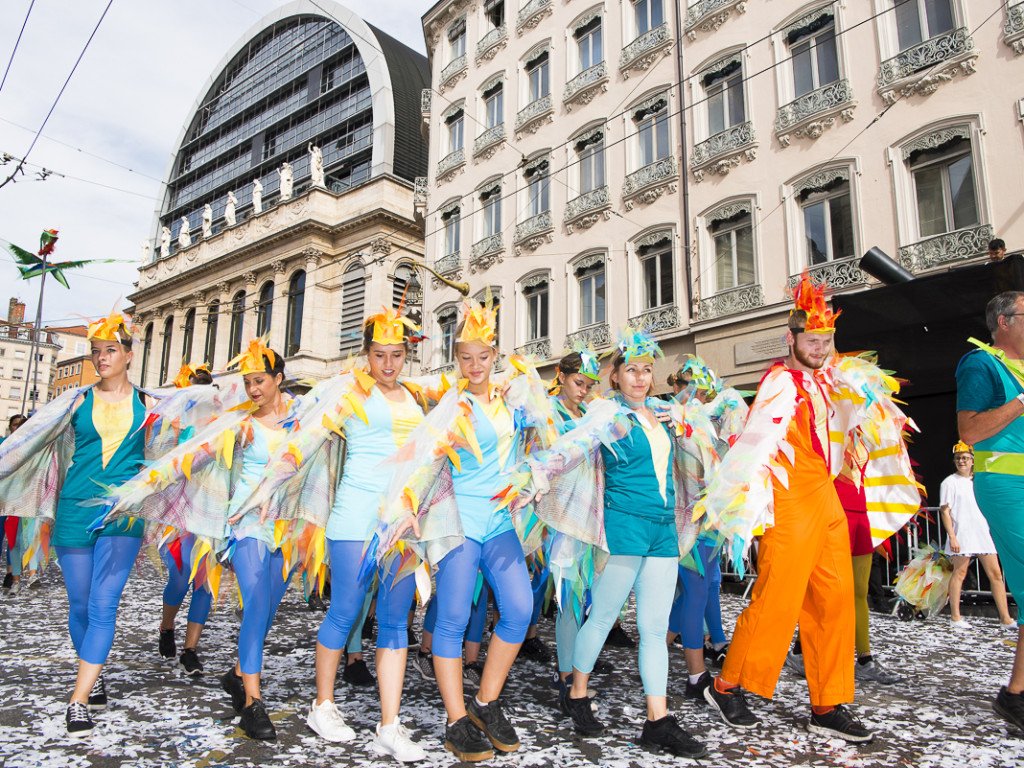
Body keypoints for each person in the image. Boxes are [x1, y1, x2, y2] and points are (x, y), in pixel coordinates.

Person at [698, 276, 919, 742]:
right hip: (791, 498)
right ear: (792, 339)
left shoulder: (833, 380)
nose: (820, 347)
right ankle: (727, 684)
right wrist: (748, 512)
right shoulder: (780, 382)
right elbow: (751, 447)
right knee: (777, 596)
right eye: (812, 340)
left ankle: (828, 702)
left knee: (835, 601)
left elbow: (856, 426)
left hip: (827, 497)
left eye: (826, 340)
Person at [378, 297, 551, 762]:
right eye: (465, 357)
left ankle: (485, 702)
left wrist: (530, 479)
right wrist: (410, 504)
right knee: (452, 621)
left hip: (499, 523)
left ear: (495, 355)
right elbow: (427, 460)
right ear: (457, 359)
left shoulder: (512, 398)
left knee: (519, 608)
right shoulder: (452, 406)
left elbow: (538, 447)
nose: (475, 366)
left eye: (483, 356)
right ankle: (456, 720)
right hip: (459, 524)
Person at [525, 330, 710, 758]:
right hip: (624, 527)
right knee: (604, 615)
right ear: (616, 376)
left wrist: (684, 423)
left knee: (653, 629)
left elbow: (704, 432)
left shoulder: (664, 412)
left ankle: (657, 720)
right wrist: (537, 473)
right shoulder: (607, 414)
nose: (641, 378)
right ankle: (577, 692)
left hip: (663, 529)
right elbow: (571, 447)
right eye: (632, 370)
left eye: (647, 370)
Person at [0, 314, 153, 737]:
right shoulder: (73, 402)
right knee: (81, 605)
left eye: (110, 351)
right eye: (96, 352)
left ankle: (79, 699)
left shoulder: (151, 404)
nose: (101, 358)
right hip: (73, 510)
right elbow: (26, 442)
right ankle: (94, 668)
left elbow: (183, 444)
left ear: (128, 355)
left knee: (104, 604)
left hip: (122, 515)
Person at [297, 308, 428, 761]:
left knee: (395, 621)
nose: (388, 364)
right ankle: (322, 705)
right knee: (346, 609)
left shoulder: (413, 398)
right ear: (365, 355)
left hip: (400, 523)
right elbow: (304, 435)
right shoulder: (347, 391)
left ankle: (389, 725)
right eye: (379, 355)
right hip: (354, 516)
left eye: (396, 355)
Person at [954, 290, 1024, 732]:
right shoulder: (981, 363)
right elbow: (970, 430)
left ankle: (1015, 694)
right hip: (1007, 485)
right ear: (1005, 322)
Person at [158, 364, 216, 675]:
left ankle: (190, 649)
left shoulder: (223, 427)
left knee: (204, 586)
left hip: (211, 515)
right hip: (180, 516)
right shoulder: (180, 428)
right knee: (179, 581)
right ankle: (167, 627)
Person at [939, 442, 1014, 629]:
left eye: (965, 458)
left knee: (996, 574)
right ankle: (955, 617)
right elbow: (945, 511)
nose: (961, 461)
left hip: (982, 533)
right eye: (958, 458)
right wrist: (952, 536)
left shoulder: (980, 480)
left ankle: (1005, 618)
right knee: (960, 573)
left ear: (973, 461)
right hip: (962, 533)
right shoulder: (949, 482)